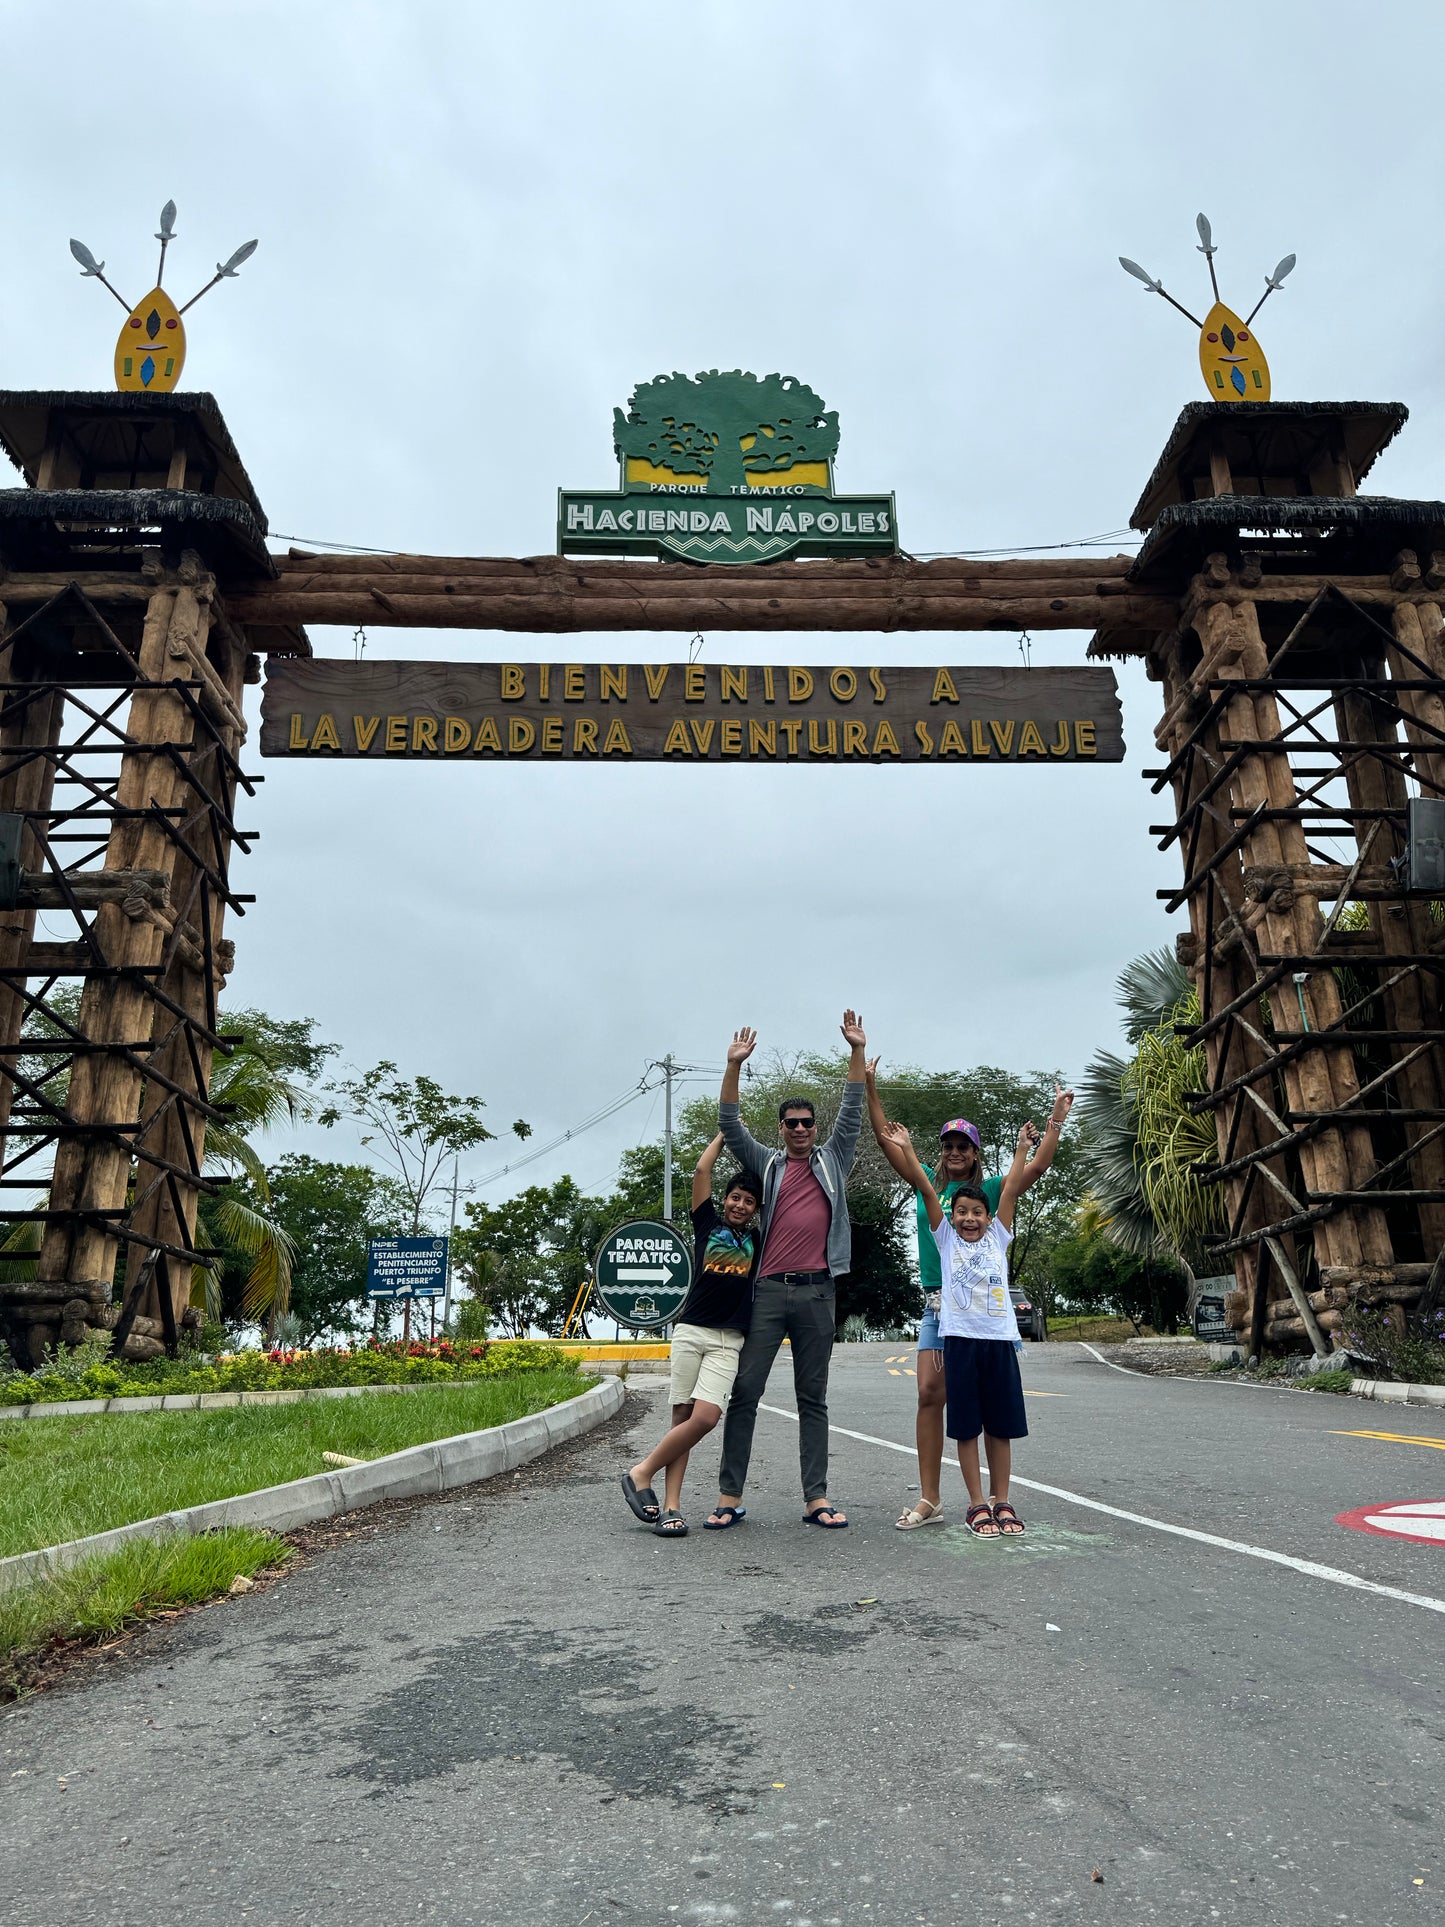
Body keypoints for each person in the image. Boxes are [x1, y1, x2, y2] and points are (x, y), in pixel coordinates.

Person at [867, 1065, 1074, 1530]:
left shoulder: (994, 1192)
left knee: (980, 1406)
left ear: (975, 1153)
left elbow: (1037, 1165)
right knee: (928, 1393)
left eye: (964, 1146)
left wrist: (1055, 1121)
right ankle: (930, 1498)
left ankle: (991, 1499)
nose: (955, 1152)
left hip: (983, 1317)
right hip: (938, 1306)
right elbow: (887, 1139)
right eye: (949, 1146)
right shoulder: (932, 1191)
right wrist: (870, 1080)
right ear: (941, 1153)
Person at [706, 1013, 867, 1530]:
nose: (800, 1129)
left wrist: (856, 1052)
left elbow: (853, 1110)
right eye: (791, 1123)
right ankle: (729, 1496)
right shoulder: (768, 1165)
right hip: (768, 1294)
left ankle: (816, 1498)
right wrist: (733, 1066)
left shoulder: (833, 1160)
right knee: (745, 1393)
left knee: (812, 1398)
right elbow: (730, 1124)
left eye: (807, 1122)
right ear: (781, 1129)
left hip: (819, 1292)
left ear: (814, 1128)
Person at [878, 1118, 1034, 1536]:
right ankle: (967, 1501)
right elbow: (925, 1188)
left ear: (989, 1215)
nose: (968, 1217)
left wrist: (1031, 1141)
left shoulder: (998, 1227)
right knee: (956, 1413)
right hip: (952, 1329)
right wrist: (907, 1144)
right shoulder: (944, 1231)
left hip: (997, 1339)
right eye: (960, 1212)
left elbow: (1020, 1182)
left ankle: (1002, 1501)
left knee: (998, 1423)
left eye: (976, 1212)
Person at [619, 1135, 762, 1538]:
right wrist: (725, 1134)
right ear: (726, 1199)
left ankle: (640, 1472)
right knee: (681, 1417)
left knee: (705, 1417)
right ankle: (671, 1508)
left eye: (748, 1201)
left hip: (728, 1340)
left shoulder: (756, 1240)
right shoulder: (707, 1225)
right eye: (735, 1197)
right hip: (690, 1332)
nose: (739, 1205)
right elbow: (701, 1171)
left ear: (755, 1209)